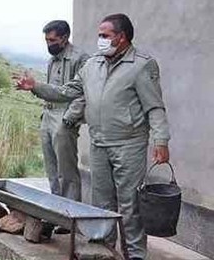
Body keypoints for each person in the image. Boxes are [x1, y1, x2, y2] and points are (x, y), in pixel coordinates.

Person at [16, 13, 171, 260]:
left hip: (129, 144)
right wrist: (36, 87)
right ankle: (104, 248)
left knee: (130, 204)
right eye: (100, 35)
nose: (100, 40)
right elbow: (68, 91)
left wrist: (161, 141)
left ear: (121, 37)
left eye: (105, 35)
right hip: (99, 141)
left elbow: (154, 106)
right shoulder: (93, 65)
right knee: (101, 202)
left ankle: (135, 253)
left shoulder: (142, 65)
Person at [39, 21, 89, 223]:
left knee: (66, 171)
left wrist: (69, 119)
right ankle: (56, 213)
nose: (48, 44)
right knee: (52, 168)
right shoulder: (53, 60)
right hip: (48, 114)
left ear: (64, 37)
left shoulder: (80, 58)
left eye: (52, 40)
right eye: (46, 40)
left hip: (65, 116)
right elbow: (52, 90)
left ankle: (70, 217)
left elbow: (84, 91)